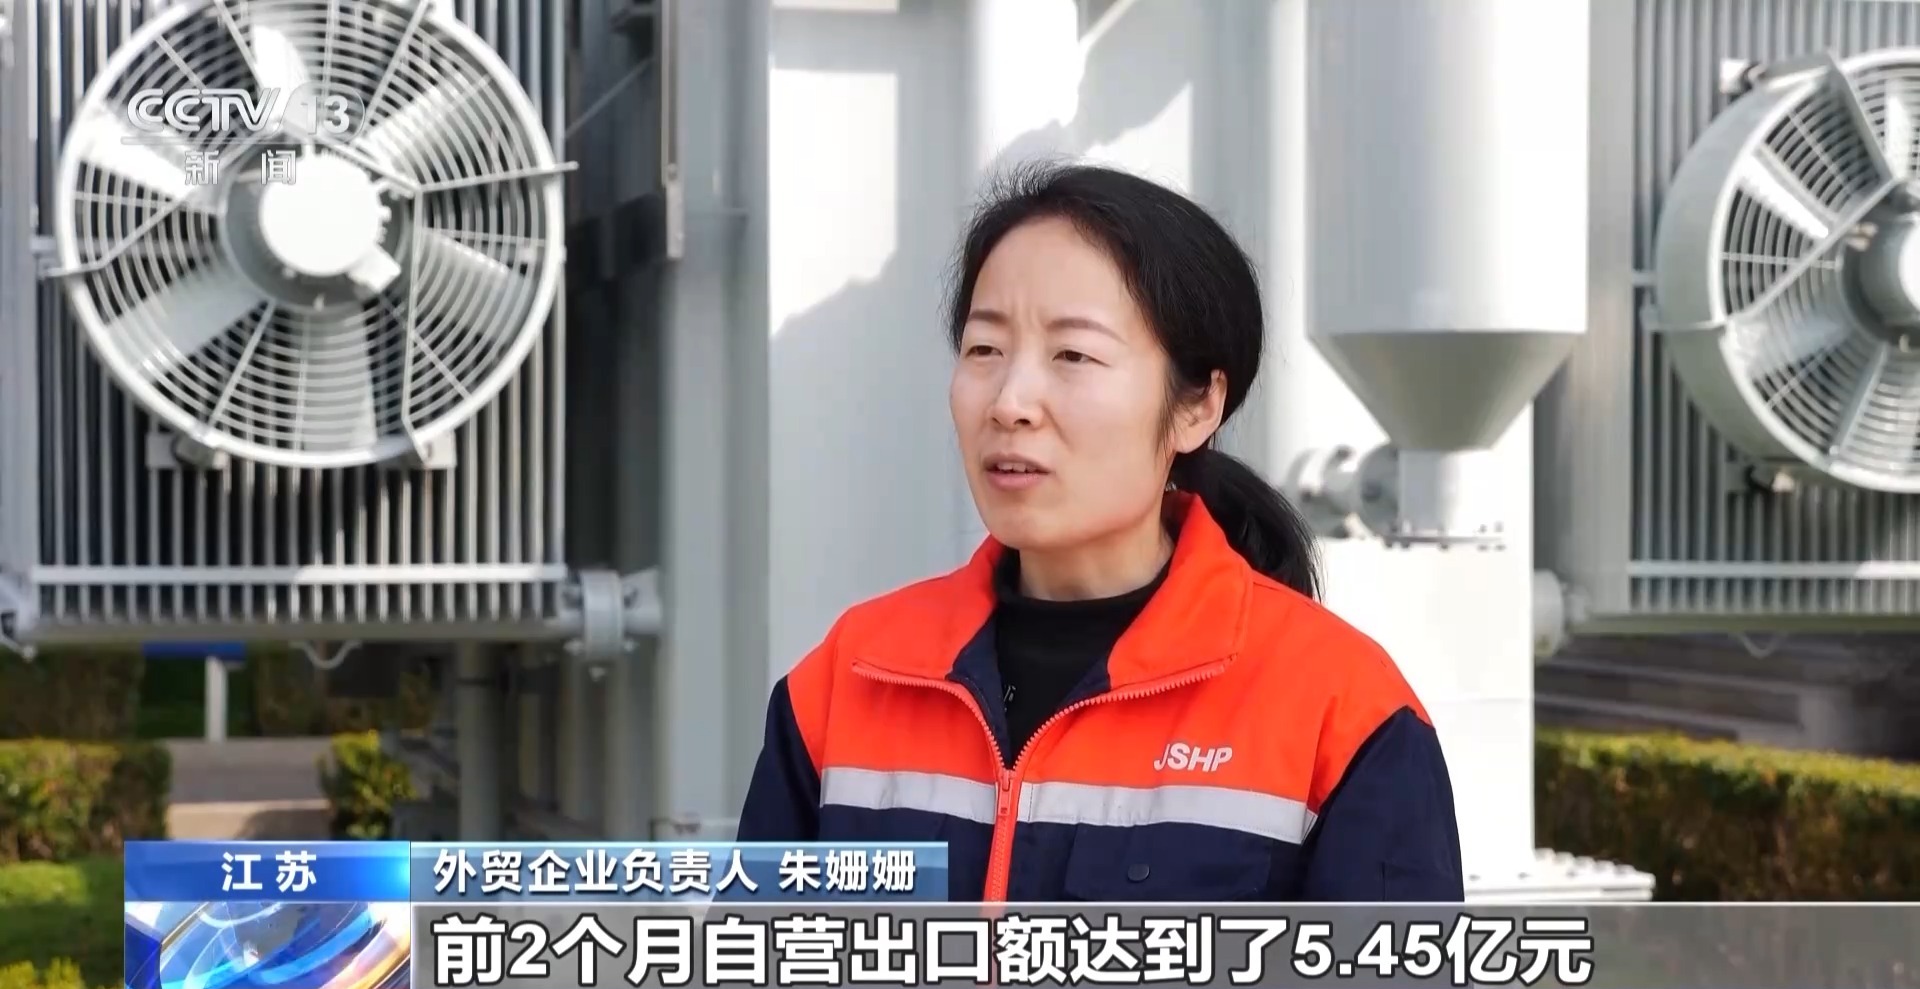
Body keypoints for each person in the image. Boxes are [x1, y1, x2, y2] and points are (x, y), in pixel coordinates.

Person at [737, 160, 1464, 902]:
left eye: (1073, 355)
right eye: (985, 350)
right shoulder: (850, 677)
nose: (1010, 402)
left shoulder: (1340, 707)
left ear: (1197, 407)